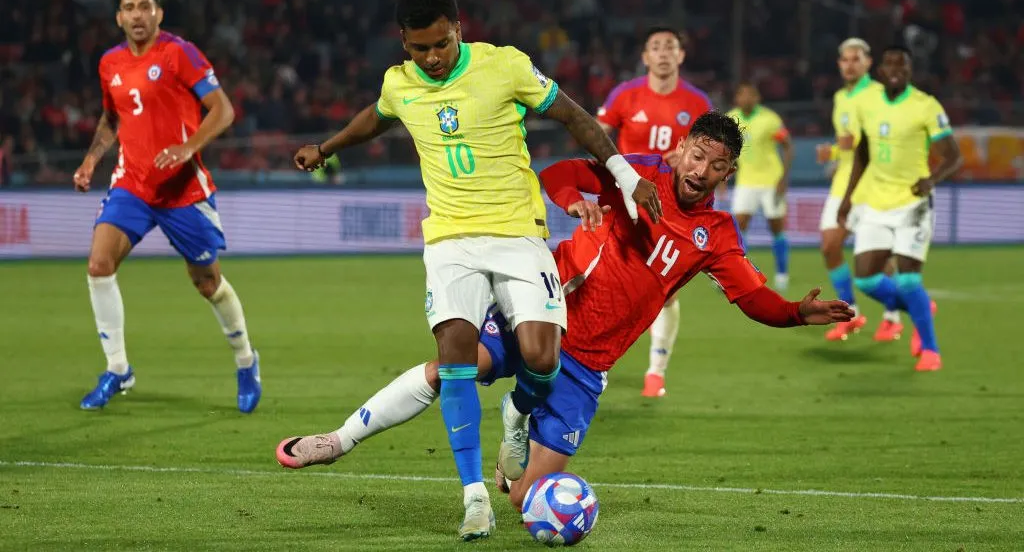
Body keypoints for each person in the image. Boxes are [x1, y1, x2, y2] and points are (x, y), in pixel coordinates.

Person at [276, 111, 853, 518]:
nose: (700, 170)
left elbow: (753, 298)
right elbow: (561, 173)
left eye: (716, 165)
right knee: (453, 366)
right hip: (544, 308)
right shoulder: (636, 170)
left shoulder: (717, 235)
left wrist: (796, 313)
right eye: (697, 155)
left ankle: (518, 417)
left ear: (728, 174)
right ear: (682, 148)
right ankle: (339, 439)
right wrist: (575, 201)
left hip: (590, 365)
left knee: (526, 502)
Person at [291, 0, 661, 541]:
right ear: (404, 44)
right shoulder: (400, 83)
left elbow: (576, 118)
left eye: (441, 43)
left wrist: (626, 176)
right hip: (449, 241)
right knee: (455, 356)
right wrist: (327, 147)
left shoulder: (505, 66)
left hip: (518, 233)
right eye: (420, 49)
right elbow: (378, 115)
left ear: (458, 28)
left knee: (542, 358)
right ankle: (474, 498)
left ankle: (517, 412)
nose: (432, 58)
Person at [73, 0, 260, 412]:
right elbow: (109, 118)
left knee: (207, 282)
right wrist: (90, 161)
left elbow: (223, 109)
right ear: (118, 17)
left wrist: (187, 147)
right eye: (128, 8)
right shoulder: (110, 63)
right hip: (132, 184)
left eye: (144, 7)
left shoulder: (180, 53)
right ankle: (118, 369)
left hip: (182, 189)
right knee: (99, 265)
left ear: (158, 13)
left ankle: (246, 362)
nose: (137, 15)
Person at [595, 26, 713, 398]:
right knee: (608, 283)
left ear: (681, 56)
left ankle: (656, 372)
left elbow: (709, 157)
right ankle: (595, 362)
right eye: (656, 47)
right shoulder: (625, 95)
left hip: (670, 209)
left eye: (670, 47)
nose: (663, 53)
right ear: (646, 57)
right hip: (624, 202)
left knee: (665, 291)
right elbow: (596, 135)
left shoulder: (696, 103)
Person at [838, 45, 963, 372]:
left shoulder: (925, 105)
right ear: (880, 70)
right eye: (889, 63)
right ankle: (921, 307)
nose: (895, 69)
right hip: (876, 203)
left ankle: (931, 351)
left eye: (902, 64)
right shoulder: (866, 103)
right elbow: (862, 153)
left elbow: (953, 155)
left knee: (908, 281)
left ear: (910, 70)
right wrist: (848, 197)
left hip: (912, 204)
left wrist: (931, 179)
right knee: (865, 280)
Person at [815, 38, 905, 342]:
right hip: (843, 183)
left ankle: (893, 316)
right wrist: (833, 152)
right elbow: (847, 145)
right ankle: (850, 312)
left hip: (873, 183)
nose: (850, 64)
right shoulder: (841, 97)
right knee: (830, 246)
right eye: (845, 59)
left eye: (856, 59)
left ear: (868, 63)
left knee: (878, 253)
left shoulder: (880, 94)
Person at [727, 83, 794, 292]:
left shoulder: (770, 119)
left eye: (751, 94)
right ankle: (742, 273)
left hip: (770, 182)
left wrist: (783, 178)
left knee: (776, 227)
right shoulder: (730, 119)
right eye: (742, 94)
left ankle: (782, 274)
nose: (746, 98)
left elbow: (787, 145)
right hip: (745, 182)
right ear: (737, 98)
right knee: (737, 228)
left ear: (757, 98)